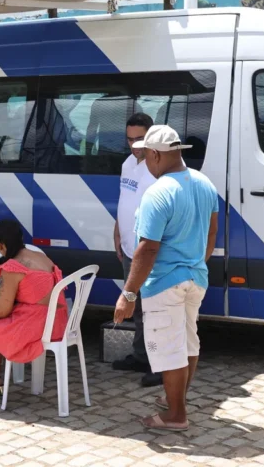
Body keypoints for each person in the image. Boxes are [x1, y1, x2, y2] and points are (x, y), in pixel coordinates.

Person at [113, 125, 219, 432]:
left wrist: (128, 293)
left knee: (170, 350)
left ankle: (176, 416)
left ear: (156, 154)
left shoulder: (158, 192)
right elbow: (211, 232)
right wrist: (195, 261)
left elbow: (147, 249)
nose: (144, 161)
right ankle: (175, 400)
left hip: (165, 283)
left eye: (145, 154)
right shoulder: (203, 183)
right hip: (196, 278)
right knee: (188, 343)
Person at [0, 220, 68, 401]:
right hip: (55, 322)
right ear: (21, 239)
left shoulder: (12, 267)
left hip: (34, 327)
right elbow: (29, 297)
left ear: (0, 244)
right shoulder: (43, 257)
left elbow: (3, 312)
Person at [112, 112, 163, 388]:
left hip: (148, 249)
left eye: (140, 139)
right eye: (130, 139)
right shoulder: (128, 163)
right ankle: (141, 356)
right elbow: (125, 199)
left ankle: (160, 365)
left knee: (155, 309)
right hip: (129, 246)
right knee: (138, 307)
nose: (134, 145)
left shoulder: (157, 167)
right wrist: (117, 229)